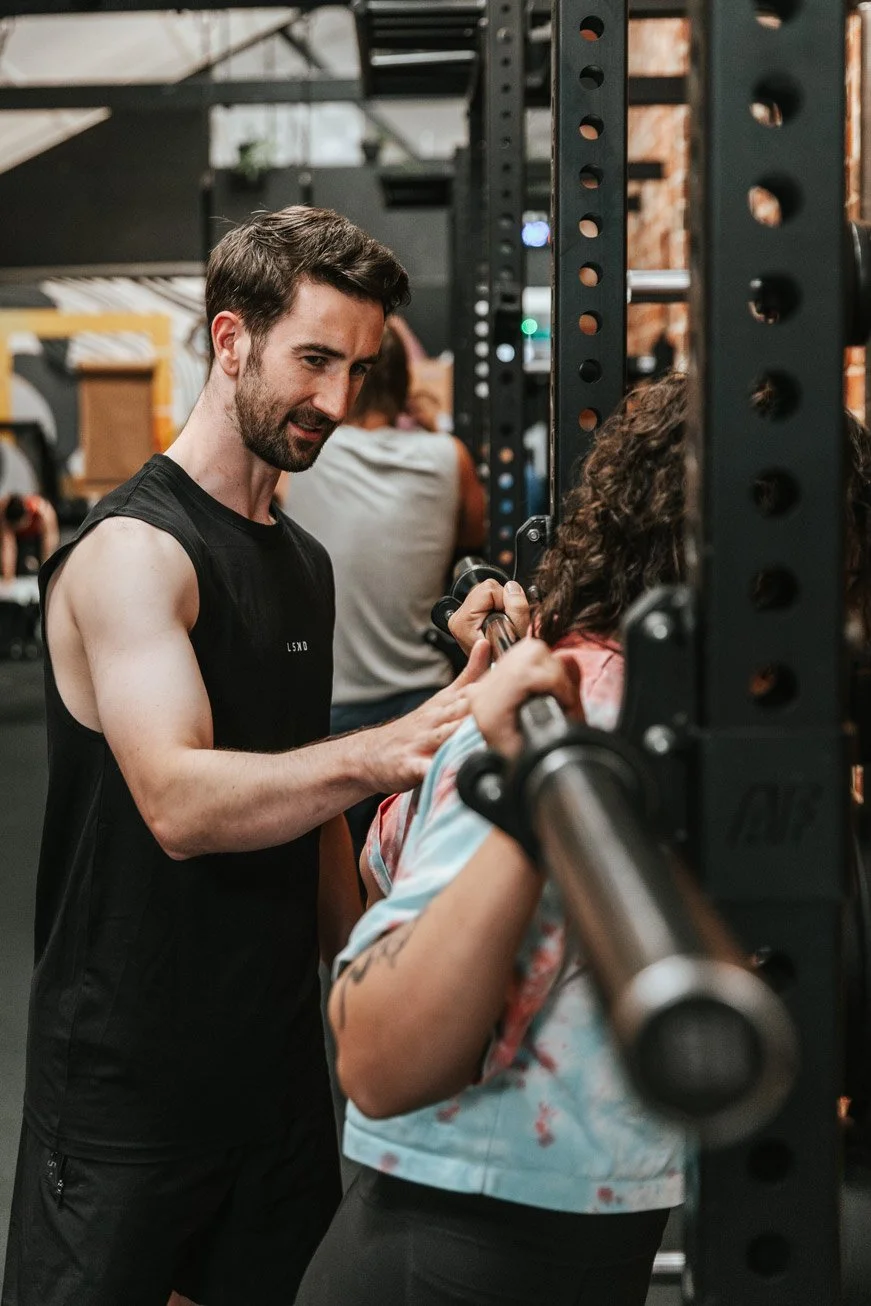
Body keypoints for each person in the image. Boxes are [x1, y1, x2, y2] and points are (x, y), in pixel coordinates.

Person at [296, 372, 871, 1306]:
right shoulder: (589, 718)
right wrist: (538, 799)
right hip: (459, 1253)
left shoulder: (648, 705)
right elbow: (377, 1059)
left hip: (553, 1239)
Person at [1, 205, 488, 1306]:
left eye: (357, 369)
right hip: (128, 1079)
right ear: (232, 340)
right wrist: (391, 748)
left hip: (269, 1078)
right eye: (312, 359)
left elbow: (303, 789)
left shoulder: (304, 562)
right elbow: (179, 800)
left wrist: (379, 976)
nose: (334, 400)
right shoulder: (136, 551)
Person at [289, 318, 485, 862]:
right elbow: (473, 537)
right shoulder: (451, 458)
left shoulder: (300, 462)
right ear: (402, 383)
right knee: (411, 878)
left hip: (332, 711)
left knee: (334, 886)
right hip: (425, 704)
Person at [0, 491, 59, 580]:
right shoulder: (4, 512)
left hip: (37, 538)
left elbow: (50, 541)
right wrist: (7, 579)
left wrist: (47, 573)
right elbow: (8, 546)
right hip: (20, 541)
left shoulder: (42, 511)